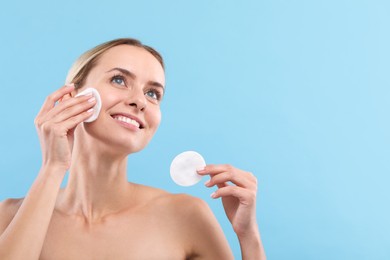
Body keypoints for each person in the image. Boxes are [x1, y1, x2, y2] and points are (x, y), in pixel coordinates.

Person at [0, 38, 266, 259]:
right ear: (73, 96)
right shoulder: (10, 217)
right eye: (119, 80)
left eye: (153, 93)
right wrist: (52, 167)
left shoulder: (185, 216)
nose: (139, 101)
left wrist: (249, 236)